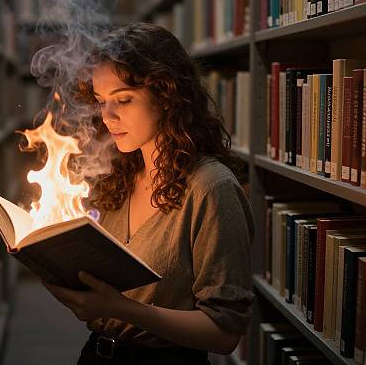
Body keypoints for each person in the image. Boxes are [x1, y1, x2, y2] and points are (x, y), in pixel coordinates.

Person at [42, 22, 255, 364]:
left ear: (167, 95)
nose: (108, 117)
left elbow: (224, 333)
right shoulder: (119, 173)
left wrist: (119, 308)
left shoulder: (211, 188)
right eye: (100, 102)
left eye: (123, 100)